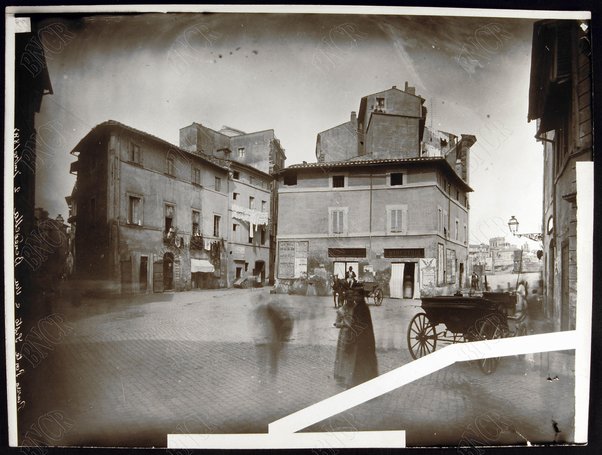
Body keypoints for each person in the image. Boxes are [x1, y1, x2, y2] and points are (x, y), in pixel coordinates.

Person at [333, 284, 378, 388]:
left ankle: (358, 383)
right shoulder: (356, 307)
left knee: (359, 360)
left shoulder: (360, 308)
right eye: (353, 296)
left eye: (356, 296)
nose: (354, 298)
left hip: (360, 339)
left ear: (361, 297)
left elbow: (359, 325)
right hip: (355, 337)